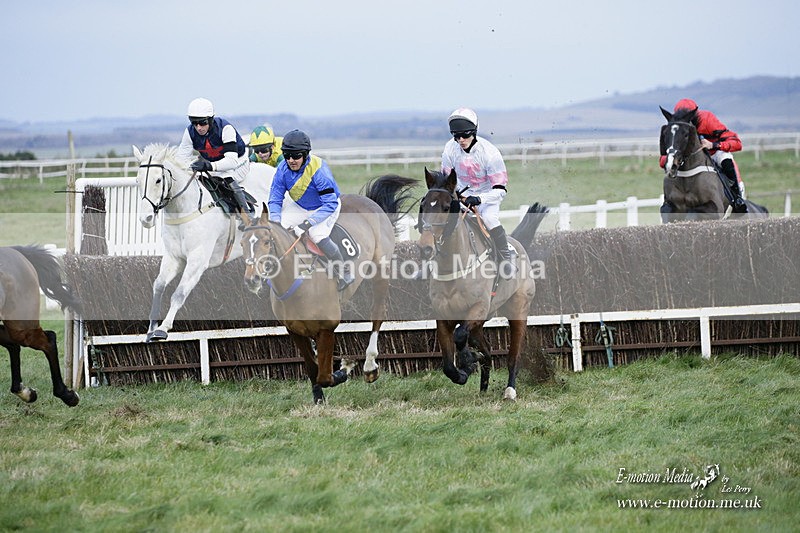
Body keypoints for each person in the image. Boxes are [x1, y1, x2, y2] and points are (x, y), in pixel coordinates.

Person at [267, 129, 354, 291]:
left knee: (317, 235)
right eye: (287, 156)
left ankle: (344, 271)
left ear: (306, 154)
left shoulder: (319, 171)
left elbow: (330, 204)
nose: (291, 160)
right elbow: (275, 198)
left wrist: (306, 224)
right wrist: (275, 221)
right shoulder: (282, 168)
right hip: (300, 205)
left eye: (296, 156)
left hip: (326, 206)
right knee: (276, 232)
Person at [442, 107, 517, 271]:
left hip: (487, 199)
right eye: (456, 136)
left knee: (490, 219)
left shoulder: (490, 153)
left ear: (474, 132)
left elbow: (500, 190)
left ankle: (506, 258)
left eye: (465, 135)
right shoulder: (449, 149)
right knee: (441, 221)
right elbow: (446, 180)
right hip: (461, 199)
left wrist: (480, 199)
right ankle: (430, 263)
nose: (461, 140)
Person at [177, 97, 256, 223]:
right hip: (216, 163)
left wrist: (209, 166)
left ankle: (247, 216)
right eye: (194, 122)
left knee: (226, 177)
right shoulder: (189, 132)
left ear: (211, 119)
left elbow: (231, 161)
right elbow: (180, 160)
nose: (198, 127)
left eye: (202, 122)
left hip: (239, 162)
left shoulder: (225, 128)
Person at [662, 98, 747, 213]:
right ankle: (669, 200)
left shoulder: (707, 119)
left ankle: (737, 198)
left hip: (714, 152)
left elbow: (737, 143)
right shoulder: (677, 126)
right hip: (690, 156)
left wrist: (714, 145)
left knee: (725, 158)